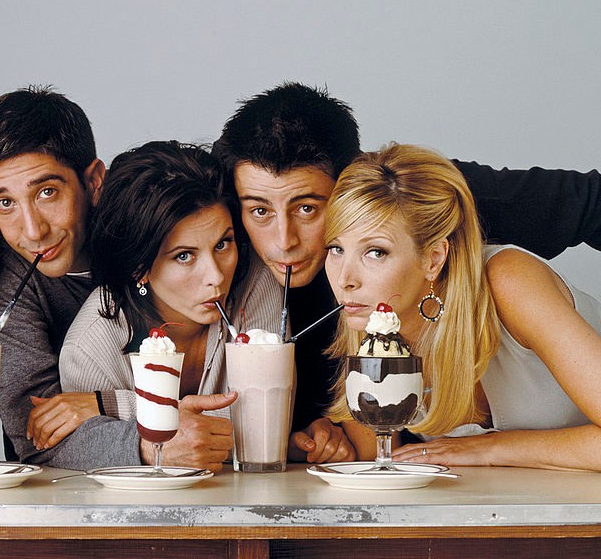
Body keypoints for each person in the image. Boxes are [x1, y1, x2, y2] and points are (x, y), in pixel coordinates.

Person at [213, 82, 601, 455]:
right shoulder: (358, 307)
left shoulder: (428, 202)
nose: (284, 240)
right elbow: (374, 456)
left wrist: (492, 448)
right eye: (260, 210)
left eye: (308, 208)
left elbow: (592, 203)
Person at [323, 143, 601, 472]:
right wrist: (326, 442)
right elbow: (380, 468)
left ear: (433, 258)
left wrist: (492, 448)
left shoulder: (508, 281)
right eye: (336, 248)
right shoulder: (366, 322)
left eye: (376, 252)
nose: (344, 279)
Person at [59, 141, 299, 471]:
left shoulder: (256, 282)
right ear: (138, 268)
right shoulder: (90, 348)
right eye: (184, 256)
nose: (215, 276)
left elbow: (264, 428)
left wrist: (115, 407)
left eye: (222, 244)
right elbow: (89, 453)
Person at [0, 86, 112, 467]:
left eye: (47, 192)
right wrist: (154, 443)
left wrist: (105, 406)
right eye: (5, 203)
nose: (31, 231)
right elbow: (39, 435)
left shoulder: (149, 234)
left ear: (94, 182)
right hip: (57, 500)